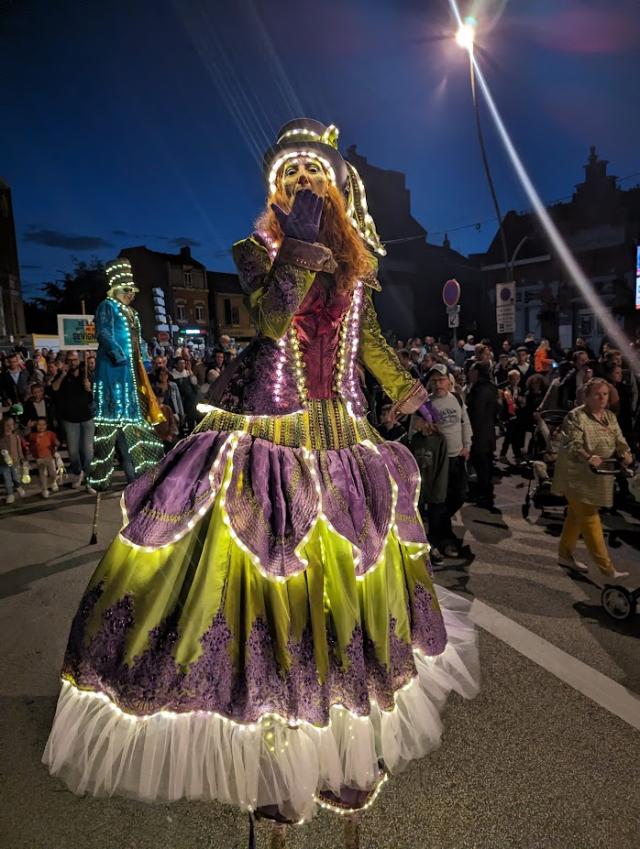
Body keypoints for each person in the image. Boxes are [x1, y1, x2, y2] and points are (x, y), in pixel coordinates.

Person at [43, 118, 478, 848]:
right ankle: (277, 765)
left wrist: (410, 394)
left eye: (315, 178)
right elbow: (273, 320)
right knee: (266, 602)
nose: (303, 187)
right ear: (277, 191)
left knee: (344, 606)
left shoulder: (355, 263)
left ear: (336, 189)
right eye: (290, 179)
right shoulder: (257, 251)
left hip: (342, 442)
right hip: (269, 437)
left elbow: (366, 344)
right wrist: (299, 246)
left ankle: (338, 750)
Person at [87, 259, 165, 490]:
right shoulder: (107, 306)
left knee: (136, 423)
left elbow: (138, 339)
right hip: (113, 373)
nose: (131, 294)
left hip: (132, 376)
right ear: (116, 289)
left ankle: (147, 471)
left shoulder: (132, 313)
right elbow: (103, 333)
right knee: (108, 427)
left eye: (132, 290)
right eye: (126, 290)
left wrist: (146, 359)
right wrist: (118, 354)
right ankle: (100, 477)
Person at [552, 378, 632, 578]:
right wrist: (588, 457)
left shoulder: (609, 417)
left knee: (575, 516)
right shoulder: (576, 416)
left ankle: (564, 554)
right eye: (597, 394)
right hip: (575, 475)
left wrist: (626, 453)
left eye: (605, 394)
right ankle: (607, 570)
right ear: (586, 397)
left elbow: (619, 440)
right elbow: (573, 444)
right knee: (589, 517)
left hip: (599, 475)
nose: (602, 398)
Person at [427, 364, 472, 557]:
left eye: (441, 380)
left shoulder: (456, 398)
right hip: (439, 460)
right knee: (438, 500)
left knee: (460, 495)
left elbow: (465, 422)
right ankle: (441, 539)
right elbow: (416, 429)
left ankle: (438, 531)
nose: (438, 384)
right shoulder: (427, 404)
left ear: (449, 380)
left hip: (457, 456)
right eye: (434, 380)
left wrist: (467, 445)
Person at [51, 351, 95, 492]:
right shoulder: (63, 376)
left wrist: (90, 388)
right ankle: (77, 473)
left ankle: (89, 478)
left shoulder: (87, 374)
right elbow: (54, 388)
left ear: (79, 360)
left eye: (74, 359)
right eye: (69, 360)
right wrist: (62, 375)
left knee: (88, 451)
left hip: (87, 418)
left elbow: (97, 394)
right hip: (70, 420)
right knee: (73, 451)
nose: (72, 362)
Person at [466, 361, 498, 509]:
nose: (469, 373)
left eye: (472, 371)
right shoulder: (490, 388)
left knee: (483, 466)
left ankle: (484, 495)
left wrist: (469, 434)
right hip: (487, 433)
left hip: (480, 435)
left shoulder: (480, 390)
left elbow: (476, 414)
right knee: (484, 466)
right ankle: (484, 493)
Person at [27, 417, 60, 498]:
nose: (41, 427)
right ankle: (44, 489)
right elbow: (28, 442)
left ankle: (50, 483)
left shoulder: (50, 434)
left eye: (43, 424)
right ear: (36, 425)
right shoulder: (33, 436)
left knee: (53, 474)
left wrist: (56, 443)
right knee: (42, 474)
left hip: (49, 457)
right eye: (39, 425)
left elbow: (56, 442)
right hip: (39, 458)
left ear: (46, 425)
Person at [0, 417, 27, 504]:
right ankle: (10, 494)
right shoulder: (1, 438)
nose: (10, 427)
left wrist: (22, 459)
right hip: (3, 463)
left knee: (16, 477)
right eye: (7, 425)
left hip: (15, 462)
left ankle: (18, 486)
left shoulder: (16, 437)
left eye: (11, 424)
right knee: (7, 479)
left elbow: (19, 449)